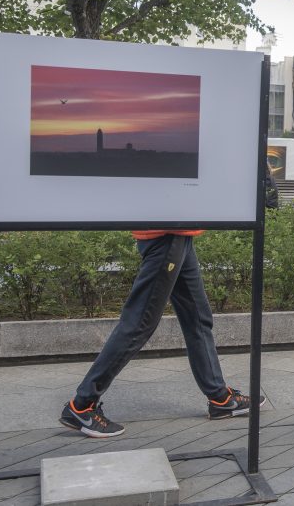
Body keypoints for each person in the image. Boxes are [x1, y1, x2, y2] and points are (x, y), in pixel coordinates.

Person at [60, 168, 279, 438]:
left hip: (180, 232)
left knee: (198, 318)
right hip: (165, 234)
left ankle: (220, 399)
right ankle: (82, 405)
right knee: (139, 323)